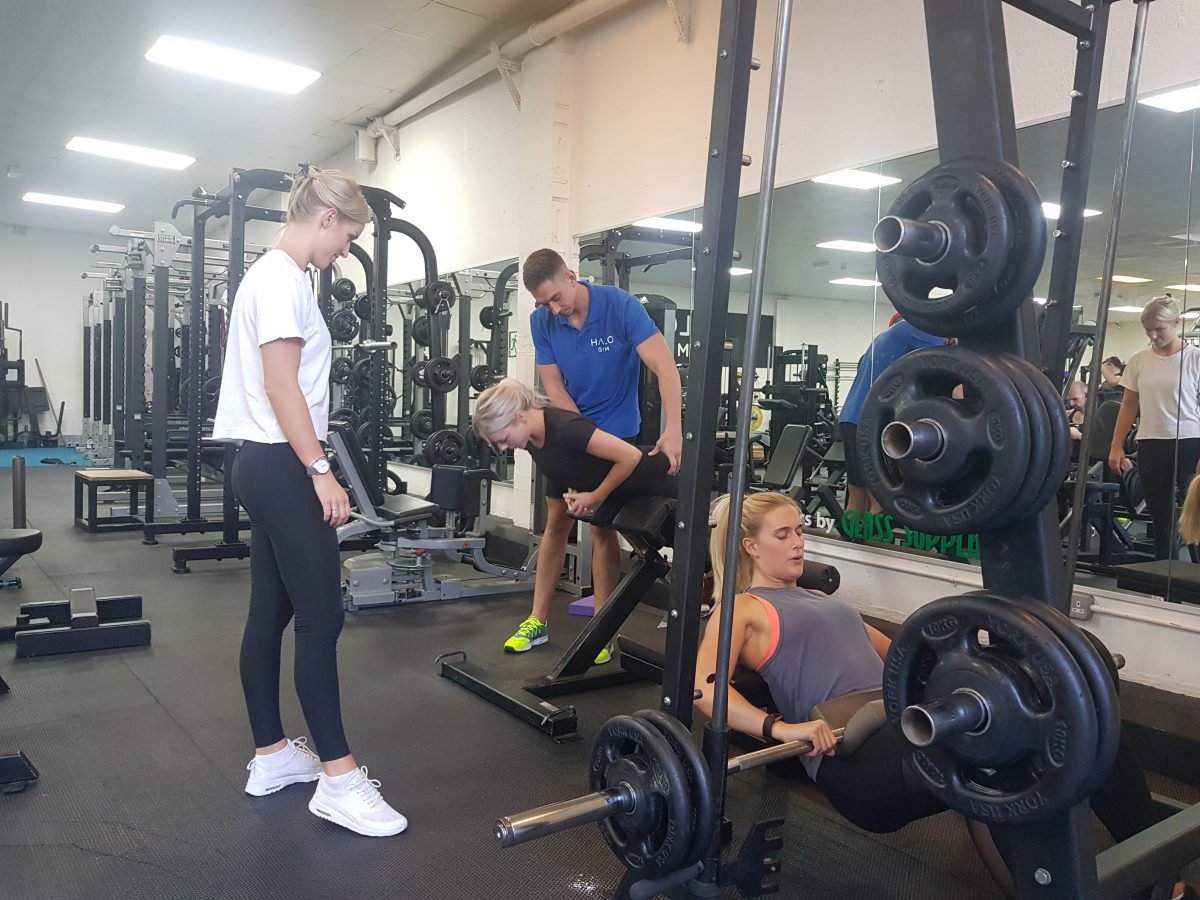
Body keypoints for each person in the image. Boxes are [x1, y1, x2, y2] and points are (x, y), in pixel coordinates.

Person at [694, 491, 1178, 899]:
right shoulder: (744, 608)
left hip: (903, 720)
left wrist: (988, 667)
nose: (799, 543)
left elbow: (908, 657)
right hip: (854, 752)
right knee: (995, 747)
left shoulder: (819, 599)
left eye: (800, 531)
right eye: (783, 535)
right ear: (750, 546)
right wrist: (780, 727)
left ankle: (1158, 880)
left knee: (1086, 727)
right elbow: (705, 689)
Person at [212, 167, 406, 837]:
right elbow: (281, 385)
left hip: (259, 462)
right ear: (326, 218)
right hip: (282, 463)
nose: (346, 250)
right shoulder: (282, 280)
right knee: (321, 619)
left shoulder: (271, 277)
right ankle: (340, 781)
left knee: (271, 613)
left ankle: (272, 756)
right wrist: (321, 470)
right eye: (348, 236)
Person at [504, 248, 683, 656]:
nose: (554, 309)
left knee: (603, 527)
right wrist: (578, 436)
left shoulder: (619, 306)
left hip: (618, 433)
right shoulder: (542, 321)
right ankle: (537, 620)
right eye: (544, 303)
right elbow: (553, 385)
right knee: (556, 521)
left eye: (555, 298)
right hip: (571, 431)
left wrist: (674, 429)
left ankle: (602, 628)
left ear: (571, 276)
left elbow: (664, 366)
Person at [473, 378, 678, 652]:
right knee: (555, 527)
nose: (502, 448)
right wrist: (577, 488)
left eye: (503, 440)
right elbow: (571, 464)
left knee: (700, 559)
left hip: (658, 481)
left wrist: (595, 496)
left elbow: (630, 456)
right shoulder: (531, 438)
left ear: (519, 417)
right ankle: (540, 622)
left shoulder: (567, 428)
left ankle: (602, 633)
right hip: (617, 486)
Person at [1108, 297, 1200, 560]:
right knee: (1161, 520)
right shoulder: (1138, 360)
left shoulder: (1195, 358)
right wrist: (1116, 446)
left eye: (1159, 329)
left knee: (1196, 516)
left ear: (1176, 323)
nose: (1152, 335)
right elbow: (1128, 405)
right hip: (1150, 443)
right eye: (1147, 330)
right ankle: (1163, 577)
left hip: (1191, 443)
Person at [837, 314, 944, 516]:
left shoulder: (881, 339)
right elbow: (953, 354)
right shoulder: (910, 329)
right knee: (880, 498)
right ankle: (874, 537)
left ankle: (850, 536)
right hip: (871, 423)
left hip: (849, 418)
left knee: (857, 496)